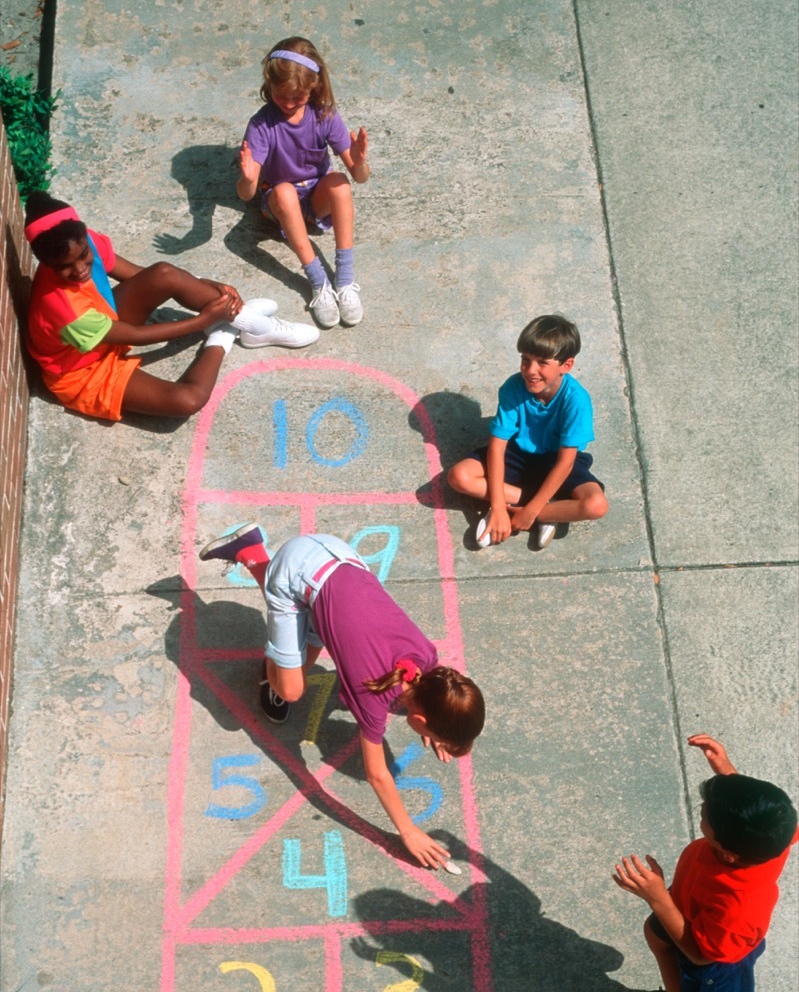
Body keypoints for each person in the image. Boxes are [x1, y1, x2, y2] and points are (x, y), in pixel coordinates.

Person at [199, 523, 485, 870]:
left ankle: (250, 550)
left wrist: (443, 726)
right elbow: (377, 774)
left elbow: (439, 696)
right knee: (288, 689)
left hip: (340, 558)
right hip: (297, 572)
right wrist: (407, 831)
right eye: (428, 732)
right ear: (421, 721)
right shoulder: (373, 696)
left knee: (309, 646)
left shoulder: (427, 660)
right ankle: (267, 591)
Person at [24, 191, 319, 422]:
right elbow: (134, 335)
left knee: (164, 272)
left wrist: (202, 283)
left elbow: (144, 277)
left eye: (83, 255)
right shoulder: (61, 308)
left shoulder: (85, 242)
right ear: (46, 264)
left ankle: (255, 326)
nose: (79, 269)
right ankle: (222, 335)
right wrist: (204, 319)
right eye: (65, 267)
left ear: (84, 238)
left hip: (104, 319)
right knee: (187, 401)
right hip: (83, 369)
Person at [613, 733, 797, 992]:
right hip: (695, 913)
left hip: (714, 957)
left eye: (706, 816)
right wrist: (728, 776)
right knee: (656, 933)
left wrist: (657, 896)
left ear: (727, 853)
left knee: (689, 979)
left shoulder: (736, 907)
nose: (702, 813)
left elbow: (699, 954)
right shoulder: (771, 838)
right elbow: (758, 819)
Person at [236, 36, 370, 329]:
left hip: (314, 199)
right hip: (279, 203)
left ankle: (344, 279)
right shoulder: (261, 125)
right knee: (283, 191)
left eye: (297, 97)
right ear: (268, 84)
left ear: (315, 87)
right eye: (280, 95)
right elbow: (246, 195)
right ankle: (319, 282)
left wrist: (359, 162)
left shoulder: (324, 115)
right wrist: (248, 179)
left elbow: (359, 178)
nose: (287, 103)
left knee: (340, 182)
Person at [447, 313, 608, 550]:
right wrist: (498, 508)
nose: (530, 370)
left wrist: (532, 512)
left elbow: (565, 463)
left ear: (567, 365)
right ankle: (553, 508)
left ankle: (538, 512)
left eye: (543, 362)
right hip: (517, 455)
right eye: (526, 359)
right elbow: (497, 446)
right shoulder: (513, 387)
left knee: (596, 505)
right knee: (458, 476)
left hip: (555, 462)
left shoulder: (577, 400)